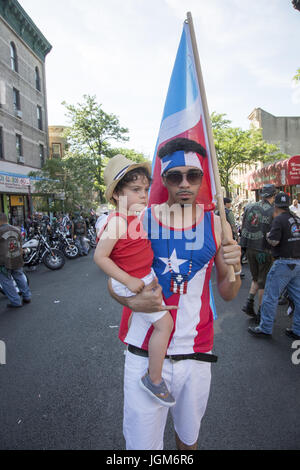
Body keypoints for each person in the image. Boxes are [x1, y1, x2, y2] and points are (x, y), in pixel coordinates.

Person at [107, 138, 241, 450]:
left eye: (193, 175)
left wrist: (235, 269)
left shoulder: (218, 225)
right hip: (143, 355)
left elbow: (229, 292)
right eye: (174, 176)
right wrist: (129, 300)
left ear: (203, 178)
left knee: (188, 442)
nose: (184, 183)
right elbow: (113, 282)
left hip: (195, 354)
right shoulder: (138, 220)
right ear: (163, 179)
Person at [94, 155, 175, 406]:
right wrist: (128, 281)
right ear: (117, 194)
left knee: (156, 313)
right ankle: (154, 378)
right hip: (131, 278)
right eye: (136, 190)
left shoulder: (131, 217)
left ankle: (152, 367)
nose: (143, 195)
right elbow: (100, 257)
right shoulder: (118, 221)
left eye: (145, 189)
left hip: (141, 274)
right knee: (165, 325)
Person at [248, 192, 300, 339]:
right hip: (297, 263)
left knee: (270, 296)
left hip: (283, 263)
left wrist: (267, 236)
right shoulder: (296, 219)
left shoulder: (278, 220)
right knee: (298, 297)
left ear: (275, 206)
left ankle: (265, 327)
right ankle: (298, 330)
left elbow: (274, 241)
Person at [239, 184, 276, 320]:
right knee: (263, 282)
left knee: (255, 278)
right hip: (264, 250)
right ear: (274, 195)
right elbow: (275, 234)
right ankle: (261, 311)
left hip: (250, 248)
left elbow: (243, 227)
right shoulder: (274, 210)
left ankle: (249, 303)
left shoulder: (249, 207)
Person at [0, 213, 31, 308]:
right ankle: (27, 296)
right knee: (20, 276)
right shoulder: (16, 230)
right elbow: (20, 245)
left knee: (6, 281)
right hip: (16, 258)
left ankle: (15, 301)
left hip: (4, 261)